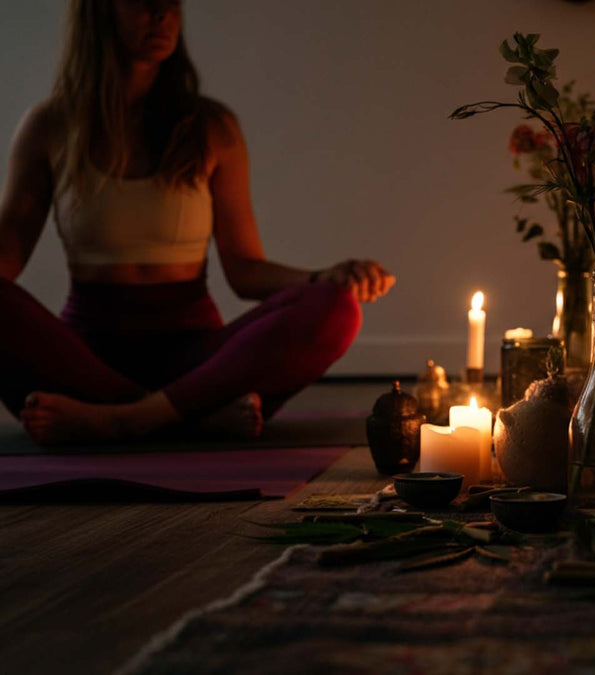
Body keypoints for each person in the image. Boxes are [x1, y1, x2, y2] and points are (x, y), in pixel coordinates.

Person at [0, 0, 395, 444]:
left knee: (336, 307)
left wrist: (326, 277)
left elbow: (245, 271)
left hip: (198, 361)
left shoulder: (211, 127)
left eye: (172, 2)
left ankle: (123, 421)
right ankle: (187, 419)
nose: (161, 13)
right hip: (83, 360)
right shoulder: (49, 126)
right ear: (98, 12)